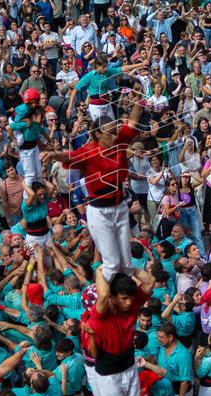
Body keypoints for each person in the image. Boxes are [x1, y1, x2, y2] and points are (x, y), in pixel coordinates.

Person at [46, 89, 143, 280]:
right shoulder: (89, 151)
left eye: (115, 133)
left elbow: (132, 122)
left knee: (126, 262)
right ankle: (100, 298)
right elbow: (69, 157)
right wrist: (53, 155)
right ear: (98, 133)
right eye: (110, 134)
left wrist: (139, 101)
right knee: (112, 263)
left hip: (120, 206)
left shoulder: (119, 142)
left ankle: (122, 300)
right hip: (99, 211)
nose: (114, 137)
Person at [85, 266, 155, 396]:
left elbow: (149, 281)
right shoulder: (100, 315)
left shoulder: (131, 306)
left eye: (131, 298)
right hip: (109, 374)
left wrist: (129, 266)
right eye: (124, 298)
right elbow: (102, 295)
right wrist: (101, 272)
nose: (129, 303)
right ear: (112, 298)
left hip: (129, 367)